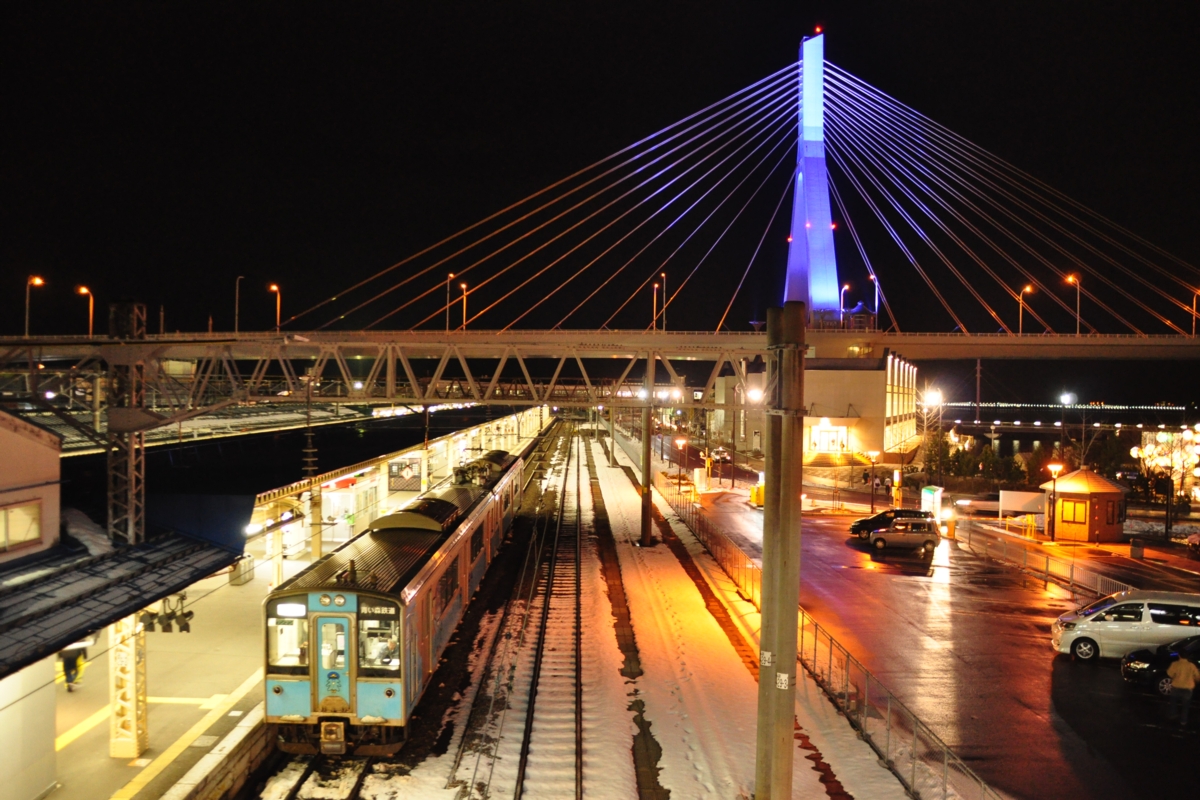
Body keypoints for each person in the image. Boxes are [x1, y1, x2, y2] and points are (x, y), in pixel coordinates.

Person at [1167, 652, 1200, 727]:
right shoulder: (1191, 666)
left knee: (1173, 702)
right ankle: (1183, 721)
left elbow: (1169, 673)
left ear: (1179, 656)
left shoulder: (1175, 664)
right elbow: (1198, 676)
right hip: (1187, 688)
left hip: (1176, 687)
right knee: (1185, 706)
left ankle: (1173, 715)